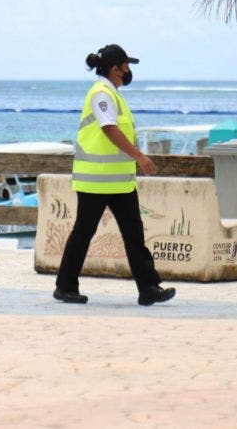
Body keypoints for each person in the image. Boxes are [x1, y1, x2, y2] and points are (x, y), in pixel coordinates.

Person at [54, 44, 176, 306]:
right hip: (95, 180)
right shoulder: (102, 93)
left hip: (118, 181)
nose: (129, 70)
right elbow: (109, 129)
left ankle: (149, 288)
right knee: (84, 232)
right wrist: (140, 157)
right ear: (115, 68)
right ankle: (65, 286)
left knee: (134, 234)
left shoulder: (112, 94)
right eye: (126, 65)